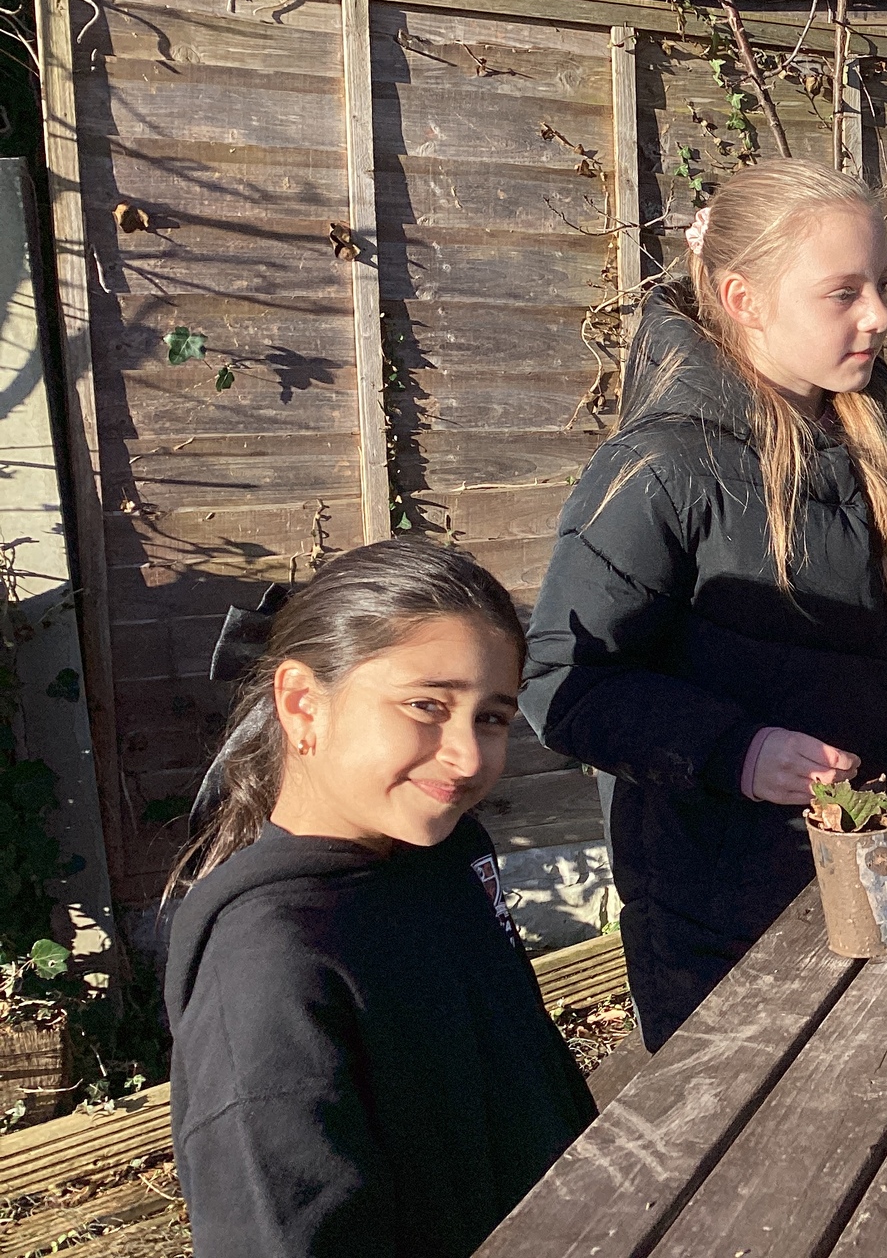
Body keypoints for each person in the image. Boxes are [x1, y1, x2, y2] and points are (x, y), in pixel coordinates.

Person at [523, 158, 887, 1052]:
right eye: (843, 293)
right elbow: (564, 684)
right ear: (744, 300)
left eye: (881, 284)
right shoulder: (660, 470)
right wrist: (734, 751)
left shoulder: (877, 432)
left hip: (871, 859)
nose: (879, 315)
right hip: (714, 908)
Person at [165, 539, 596, 1258]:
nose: (467, 756)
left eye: (491, 717)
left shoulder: (447, 853)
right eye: (427, 705)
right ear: (303, 705)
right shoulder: (269, 966)